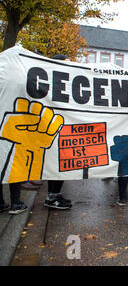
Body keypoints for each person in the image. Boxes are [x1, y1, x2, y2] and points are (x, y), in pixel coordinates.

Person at [44, 54, 73, 210]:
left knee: (62, 165)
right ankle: (52, 196)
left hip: (64, 129)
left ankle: (55, 194)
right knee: (56, 164)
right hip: (54, 130)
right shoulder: (53, 81)